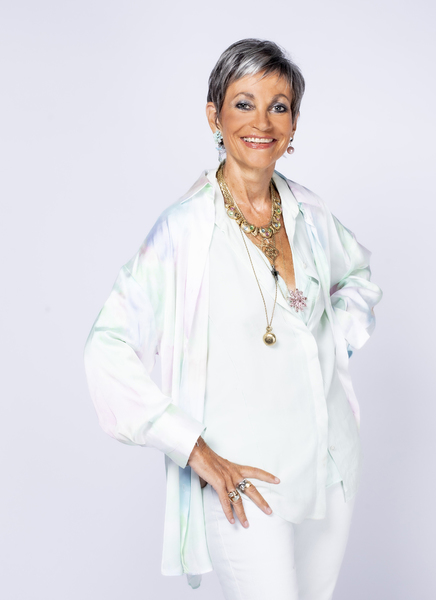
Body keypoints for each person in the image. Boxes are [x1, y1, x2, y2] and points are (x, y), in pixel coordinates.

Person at [84, 38, 383, 600]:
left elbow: (358, 279)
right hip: (244, 481)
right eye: (244, 103)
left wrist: (327, 343)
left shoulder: (311, 213)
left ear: (294, 123)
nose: (262, 122)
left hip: (331, 470)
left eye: (279, 106)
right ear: (214, 116)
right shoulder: (185, 229)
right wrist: (192, 448)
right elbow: (107, 345)